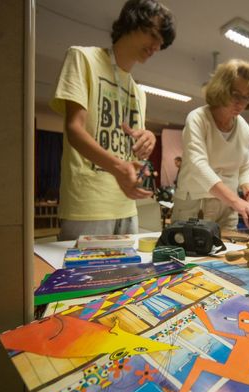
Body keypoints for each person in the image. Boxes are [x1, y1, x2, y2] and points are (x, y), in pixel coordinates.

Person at [50, 0, 176, 240]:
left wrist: (148, 138)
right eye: (152, 34)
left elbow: (134, 154)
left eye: (161, 42)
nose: (156, 46)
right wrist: (118, 167)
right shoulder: (82, 58)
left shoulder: (139, 92)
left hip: (127, 205)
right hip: (88, 204)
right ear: (131, 22)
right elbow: (74, 129)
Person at [171, 59, 249, 230]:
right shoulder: (198, 118)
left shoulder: (244, 127)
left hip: (228, 206)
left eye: (246, 97)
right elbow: (198, 166)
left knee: (228, 246)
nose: (240, 103)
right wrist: (236, 201)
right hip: (195, 202)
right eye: (235, 95)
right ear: (222, 89)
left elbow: (244, 168)